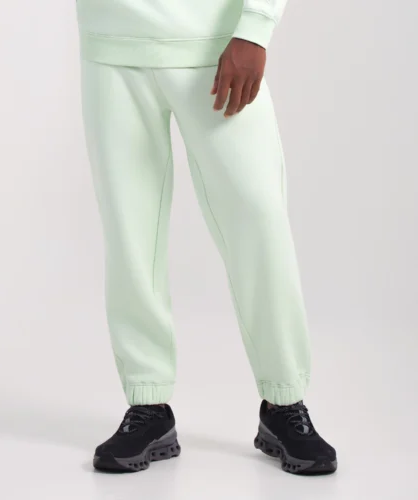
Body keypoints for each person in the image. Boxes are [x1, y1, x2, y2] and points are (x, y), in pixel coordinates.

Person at [76, 0, 337, 475]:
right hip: (110, 42)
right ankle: (148, 401)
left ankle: (284, 401)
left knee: (259, 220)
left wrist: (255, 27)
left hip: (217, 43)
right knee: (131, 234)